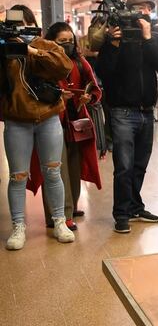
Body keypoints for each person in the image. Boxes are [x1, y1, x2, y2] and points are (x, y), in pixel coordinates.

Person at [0, 5, 75, 249]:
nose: (18, 27)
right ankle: (19, 227)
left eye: (23, 22)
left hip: (48, 117)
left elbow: (64, 67)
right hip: (16, 120)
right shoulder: (3, 47)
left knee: (53, 172)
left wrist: (31, 50)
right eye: (13, 23)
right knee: (17, 176)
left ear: (32, 22)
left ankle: (60, 221)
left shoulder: (45, 45)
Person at [96, 0, 158, 233]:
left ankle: (135, 206)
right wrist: (113, 45)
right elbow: (105, 72)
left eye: (147, 9)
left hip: (147, 112)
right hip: (122, 112)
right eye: (138, 9)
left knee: (139, 165)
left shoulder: (154, 37)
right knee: (124, 166)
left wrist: (147, 37)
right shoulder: (116, 38)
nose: (143, 12)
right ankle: (122, 213)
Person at [32, 22, 104, 230]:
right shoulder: (43, 62)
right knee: (55, 170)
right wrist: (56, 96)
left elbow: (94, 87)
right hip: (51, 121)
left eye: (69, 41)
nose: (67, 45)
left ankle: (69, 208)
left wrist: (88, 98)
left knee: (73, 167)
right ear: (50, 42)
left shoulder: (80, 62)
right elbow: (36, 90)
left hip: (76, 122)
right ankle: (58, 214)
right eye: (61, 41)